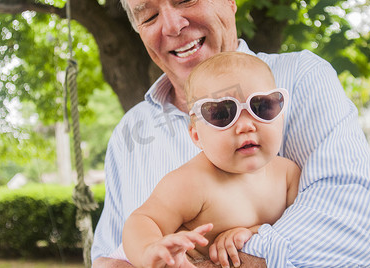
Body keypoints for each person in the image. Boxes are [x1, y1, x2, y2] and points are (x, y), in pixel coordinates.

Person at [91, 0, 370, 267]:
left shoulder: (301, 78)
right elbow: (108, 256)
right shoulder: (128, 132)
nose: (171, 25)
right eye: (149, 17)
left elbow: (355, 232)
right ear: (195, 132)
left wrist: (250, 239)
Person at [120, 52, 300, 268]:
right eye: (222, 114)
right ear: (197, 135)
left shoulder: (289, 175)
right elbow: (142, 220)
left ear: (280, 116)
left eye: (261, 107)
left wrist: (255, 233)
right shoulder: (192, 182)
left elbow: (300, 229)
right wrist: (150, 250)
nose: (246, 126)